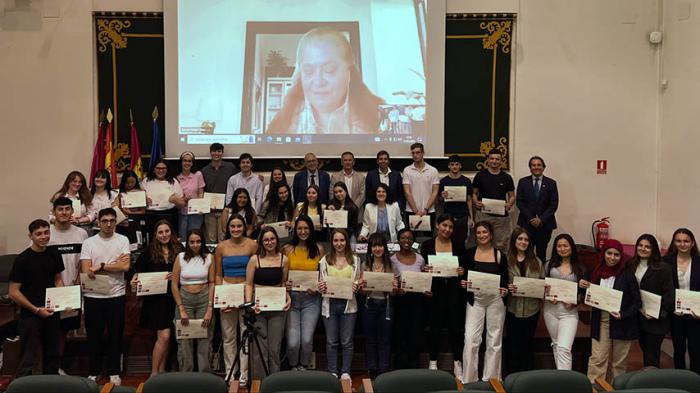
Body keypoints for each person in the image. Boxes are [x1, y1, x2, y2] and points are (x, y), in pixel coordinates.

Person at [266, 27, 384, 135]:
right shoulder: (279, 128)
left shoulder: (382, 118)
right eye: (308, 70)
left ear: (349, 72)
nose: (318, 81)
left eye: (329, 69)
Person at [80, 208, 131, 385]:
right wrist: (113, 265)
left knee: (115, 335)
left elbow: (125, 267)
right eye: (105, 221)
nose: (108, 224)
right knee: (94, 336)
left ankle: (114, 371)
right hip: (93, 295)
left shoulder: (123, 240)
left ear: (115, 222)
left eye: (112, 220)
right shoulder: (89, 243)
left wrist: (100, 266)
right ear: (98, 222)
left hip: (116, 294)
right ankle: (94, 371)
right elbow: (87, 269)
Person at [579, 239, 641, 383]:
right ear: (603, 253)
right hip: (601, 321)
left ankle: (616, 389)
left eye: (616, 255)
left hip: (622, 322)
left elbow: (637, 302)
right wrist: (583, 286)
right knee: (598, 359)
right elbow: (587, 296)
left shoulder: (627, 275)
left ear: (621, 257)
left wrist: (623, 314)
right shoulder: (594, 272)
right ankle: (595, 388)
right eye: (609, 253)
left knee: (618, 364)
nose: (612, 258)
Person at [9, 219, 64, 377]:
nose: (43, 236)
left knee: (53, 354)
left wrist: (62, 300)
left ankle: (51, 385)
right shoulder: (22, 259)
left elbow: (57, 279)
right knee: (28, 356)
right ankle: (23, 386)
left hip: (52, 311)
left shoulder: (54, 254)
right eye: (38, 234)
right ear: (31, 236)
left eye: (46, 232)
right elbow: (14, 292)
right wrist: (36, 310)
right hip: (30, 315)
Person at [131, 220, 183, 377]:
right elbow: (137, 272)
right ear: (155, 234)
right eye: (160, 232)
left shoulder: (179, 249)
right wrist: (134, 280)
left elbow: (188, 270)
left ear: (171, 232)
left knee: (169, 337)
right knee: (164, 335)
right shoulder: (148, 251)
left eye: (167, 231)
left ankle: (162, 371)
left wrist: (176, 276)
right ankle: (154, 374)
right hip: (156, 300)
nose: (164, 235)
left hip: (174, 297)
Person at [460, 221, 508, 383]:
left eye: (485, 232)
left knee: (494, 339)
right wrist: (463, 283)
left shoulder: (500, 255)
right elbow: (463, 276)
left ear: (491, 234)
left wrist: (504, 289)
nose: (482, 235)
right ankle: (469, 379)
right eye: (479, 233)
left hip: (495, 300)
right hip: (475, 301)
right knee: (470, 339)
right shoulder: (468, 254)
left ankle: (492, 379)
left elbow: (505, 281)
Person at [421, 214, 467, 376]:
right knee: (435, 328)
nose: (447, 229)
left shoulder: (459, 245)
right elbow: (422, 269)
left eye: (450, 227)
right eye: (444, 225)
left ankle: (457, 363)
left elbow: (464, 269)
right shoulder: (427, 245)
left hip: (454, 292)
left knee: (455, 328)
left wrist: (462, 271)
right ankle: (433, 362)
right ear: (437, 225)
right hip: (435, 292)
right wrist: (425, 270)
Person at [47, 197, 88, 375]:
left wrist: (79, 280)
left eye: (67, 209)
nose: (63, 212)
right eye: (60, 209)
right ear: (54, 212)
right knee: (48, 331)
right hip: (50, 291)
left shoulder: (81, 234)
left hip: (73, 290)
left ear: (72, 212)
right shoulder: (46, 233)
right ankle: (46, 368)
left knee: (64, 331)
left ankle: (57, 367)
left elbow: (84, 261)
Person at [214, 214, 257, 385]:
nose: (236, 229)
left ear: (244, 227)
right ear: (228, 228)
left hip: (246, 289)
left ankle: (244, 375)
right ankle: (230, 373)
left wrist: (251, 295)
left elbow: (256, 270)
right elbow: (218, 274)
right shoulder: (221, 247)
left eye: (239, 226)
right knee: (228, 336)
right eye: (233, 226)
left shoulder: (252, 244)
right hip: (227, 288)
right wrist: (220, 297)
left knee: (245, 334)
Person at [244, 227, 291, 378]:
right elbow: (249, 284)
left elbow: (284, 283)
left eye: (272, 239)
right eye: (266, 240)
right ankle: (260, 383)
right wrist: (249, 304)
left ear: (277, 240)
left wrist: (288, 297)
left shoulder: (284, 259)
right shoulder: (254, 260)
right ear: (261, 242)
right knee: (259, 349)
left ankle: (274, 381)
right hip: (258, 309)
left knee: (274, 348)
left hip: (277, 308)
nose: (269, 242)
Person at [318, 229, 362, 380]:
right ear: (332, 242)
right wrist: (321, 286)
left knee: (347, 341)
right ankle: (332, 372)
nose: (339, 244)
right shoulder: (324, 260)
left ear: (347, 242)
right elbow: (320, 282)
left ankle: (345, 372)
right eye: (336, 241)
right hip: (329, 305)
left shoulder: (355, 260)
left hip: (349, 305)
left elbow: (358, 280)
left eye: (342, 240)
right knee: (331, 341)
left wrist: (357, 285)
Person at [283, 215, 325, 371]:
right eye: (300, 228)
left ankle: (304, 367)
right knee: (293, 342)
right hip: (291, 300)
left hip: (311, 300)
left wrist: (318, 287)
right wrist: (284, 284)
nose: (303, 231)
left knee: (307, 340)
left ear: (311, 230)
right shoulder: (287, 249)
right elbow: (282, 274)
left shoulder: (319, 249)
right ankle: (293, 367)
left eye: (306, 228)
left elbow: (323, 276)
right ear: (295, 230)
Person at [171, 229, 215, 373]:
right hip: (185, 298)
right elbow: (174, 284)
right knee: (184, 340)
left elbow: (212, 283)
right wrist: (181, 308)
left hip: (204, 298)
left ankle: (205, 376)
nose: (195, 245)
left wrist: (210, 308)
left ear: (202, 242)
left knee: (205, 338)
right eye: (192, 242)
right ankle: (186, 375)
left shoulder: (209, 257)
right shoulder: (181, 257)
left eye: (198, 241)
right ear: (187, 243)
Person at [630, 234, 674, 368]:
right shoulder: (631, 264)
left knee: (652, 356)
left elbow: (669, 295)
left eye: (647, 247)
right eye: (641, 245)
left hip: (655, 320)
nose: (643, 249)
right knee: (645, 350)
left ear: (654, 249)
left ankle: (653, 384)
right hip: (638, 316)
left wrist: (658, 313)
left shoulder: (663, 268)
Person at [543, 234, 586, 371]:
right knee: (556, 344)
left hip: (569, 313)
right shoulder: (548, 265)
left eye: (565, 245)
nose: (562, 249)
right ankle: (560, 377)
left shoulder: (580, 268)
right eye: (559, 246)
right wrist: (545, 292)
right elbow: (541, 286)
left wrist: (576, 302)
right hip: (550, 310)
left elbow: (585, 294)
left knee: (564, 348)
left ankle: (566, 381)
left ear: (571, 247)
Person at [504, 227, 543, 374]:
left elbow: (542, 282)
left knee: (527, 344)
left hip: (532, 310)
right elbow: (501, 283)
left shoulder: (537, 261)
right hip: (512, 309)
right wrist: (508, 288)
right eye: (520, 239)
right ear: (514, 241)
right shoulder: (506, 259)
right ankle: (511, 377)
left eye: (526, 239)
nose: (523, 242)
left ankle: (527, 378)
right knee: (513, 344)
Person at [359, 233, 398, 378]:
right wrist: (365, 286)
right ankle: (372, 370)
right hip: (369, 305)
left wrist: (394, 287)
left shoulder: (391, 265)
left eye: (380, 245)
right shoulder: (365, 265)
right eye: (374, 246)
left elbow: (394, 293)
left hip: (386, 305)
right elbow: (362, 293)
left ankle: (384, 371)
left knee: (385, 340)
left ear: (385, 248)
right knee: (370, 340)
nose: (377, 249)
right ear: (370, 248)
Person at [390, 228, 428, 369]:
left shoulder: (420, 259)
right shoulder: (392, 259)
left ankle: (414, 368)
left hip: (417, 301)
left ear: (413, 241)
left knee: (415, 336)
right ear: (398, 240)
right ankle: (399, 368)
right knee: (400, 335)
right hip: (400, 300)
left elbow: (424, 279)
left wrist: (426, 290)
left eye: (410, 238)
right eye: (403, 238)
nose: (407, 241)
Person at [664, 228, 700, 374]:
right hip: (675, 314)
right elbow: (663, 288)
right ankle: (681, 379)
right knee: (678, 349)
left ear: (692, 243)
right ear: (674, 242)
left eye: (686, 241)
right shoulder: (666, 262)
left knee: (696, 349)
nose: (682, 244)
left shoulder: (698, 262)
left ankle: (696, 381)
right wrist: (671, 307)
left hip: (696, 314)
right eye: (678, 240)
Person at [516, 156, 559, 262]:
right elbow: (519, 202)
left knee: (541, 253)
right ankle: (524, 276)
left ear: (543, 167)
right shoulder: (523, 182)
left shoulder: (551, 183)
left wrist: (541, 219)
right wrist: (531, 218)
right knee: (524, 252)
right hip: (526, 223)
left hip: (544, 225)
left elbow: (553, 204)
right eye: (533, 165)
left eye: (539, 165)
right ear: (530, 168)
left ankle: (541, 276)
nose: (536, 167)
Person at [472, 149, 515, 251]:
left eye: (497, 159)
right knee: (481, 241)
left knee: (501, 244)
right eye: (492, 159)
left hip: (501, 218)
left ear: (501, 161)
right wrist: (475, 201)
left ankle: (499, 265)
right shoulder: (480, 175)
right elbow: (473, 193)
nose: (494, 161)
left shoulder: (507, 177)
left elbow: (512, 196)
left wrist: (509, 204)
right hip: (483, 215)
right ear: (488, 160)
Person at [201, 143, 239, 243]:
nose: (216, 153)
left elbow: (238, 180)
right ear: (210, 153)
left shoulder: (230, 167)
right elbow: (202, 189)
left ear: (222, 153)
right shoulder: (204, 170)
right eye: (214, 151)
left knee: (224, 238)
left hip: (225, 210)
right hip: (210, 210)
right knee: (210, 238)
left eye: (219, 151)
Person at [142, 159, 185, 240]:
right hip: (151, 216)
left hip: (169, 215)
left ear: (167, 169)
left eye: (163, 168)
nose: (161, 170)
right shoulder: (146, 180)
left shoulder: (173, 181)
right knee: (152, 240)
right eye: (158, 168)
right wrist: (144, 199)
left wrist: (175, 200)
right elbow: (139, 198)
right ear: (154, 169)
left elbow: (182, 204)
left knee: (169, 239)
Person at [402, 142, 439, 233]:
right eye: (413, 153)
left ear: (423, 153)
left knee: (428, 240)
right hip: (411, 211)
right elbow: (407, 192)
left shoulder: (433, 170)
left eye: (418, 152)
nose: (415, 155)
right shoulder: (407, 170)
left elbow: (435, 192)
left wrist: (426, 209)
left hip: (429, 211)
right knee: (411, 240)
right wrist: (416, 211)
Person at [439, 155, 474, 247]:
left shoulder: (466, 181)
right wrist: (442, 197)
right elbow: (439, 201)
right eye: (452, 164)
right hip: (448, 216)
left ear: (460, 166)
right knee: (448, 241)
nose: (454, 166)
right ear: (449, 166)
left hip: (463, 216)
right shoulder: (443, 181)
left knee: (463, 242)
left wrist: (471, 217)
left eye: (457, 164)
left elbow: (469, 199)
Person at [176, 151, 206, 241]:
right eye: (184, 161)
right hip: (182, 212)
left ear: (192, 163)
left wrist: (201, 206)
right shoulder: (176, 177)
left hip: (196, 213)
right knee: (183, 238)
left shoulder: (198, 175)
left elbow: (201, 193)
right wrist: (182, 199)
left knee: (195, 237)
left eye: (189, 161)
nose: (187, 163)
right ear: (181, 162)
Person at [114, 170, 145, 249]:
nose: (130, 185)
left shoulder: (140, 193)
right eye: (127, 182)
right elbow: (114, 209)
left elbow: (143, 212)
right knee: (121, 247)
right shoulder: (118, 193)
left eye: (132, 182)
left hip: (135, 224)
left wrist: (131, 213)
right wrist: (119, 202)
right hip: (121, 225)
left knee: (136, 246)